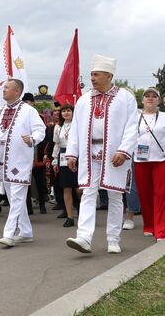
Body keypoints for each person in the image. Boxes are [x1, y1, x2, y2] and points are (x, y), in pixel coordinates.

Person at [65, 54, 137, 254]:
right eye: (91, 74)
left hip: (115, 154)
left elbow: (132, 127)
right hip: (90, 154)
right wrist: (72, 153)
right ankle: (84, 237)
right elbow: (76, 128)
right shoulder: (84, 100)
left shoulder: (125, 97)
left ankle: (113, 239)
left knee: (114, 195)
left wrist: (123, 150)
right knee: (88, 192)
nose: (92, 78)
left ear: (108, 75)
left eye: (96, 74)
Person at [0, 79, 46, 247]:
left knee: (16, 197)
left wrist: (32, 138)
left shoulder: (28, 111)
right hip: (0, 159)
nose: (4, 90)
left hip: (19, 159)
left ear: (17, 91)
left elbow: (40, 129)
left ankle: (9, 233)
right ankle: (26, 231)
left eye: (7, 87)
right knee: (14, 197)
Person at [133, 87, 165, 240]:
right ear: (142, 100)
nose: (150, 98)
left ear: (158, 100)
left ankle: (161, 230)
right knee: (144, 195)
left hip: (160, 160)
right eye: (147, 96)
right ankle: (149, 225)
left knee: (161, 195)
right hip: (141, 160)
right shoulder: (135, 117)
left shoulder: (164, 117)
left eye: (154, 96)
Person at [51, 104, 81, 227]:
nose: (66, 113)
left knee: (79, 188)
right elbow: (57, 144)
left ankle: (83, 212)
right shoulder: (58, 127)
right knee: (66, 187)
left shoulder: (78, 125)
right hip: (63, 155)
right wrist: (54, 160)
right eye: (63, 111)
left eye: (68, 110)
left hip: (76, 155)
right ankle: (70, 216)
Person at [22, 93, 49, 214]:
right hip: (24, 155)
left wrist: (45, 153)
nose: (27, 104)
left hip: (38, 153)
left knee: (40, 182)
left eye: (29, 102)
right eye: (25, 102)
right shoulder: (19, 118)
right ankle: (28, 207)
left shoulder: (39, 117)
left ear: (33, 103)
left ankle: (42, 203)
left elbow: (45, 136)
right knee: (24, 183)